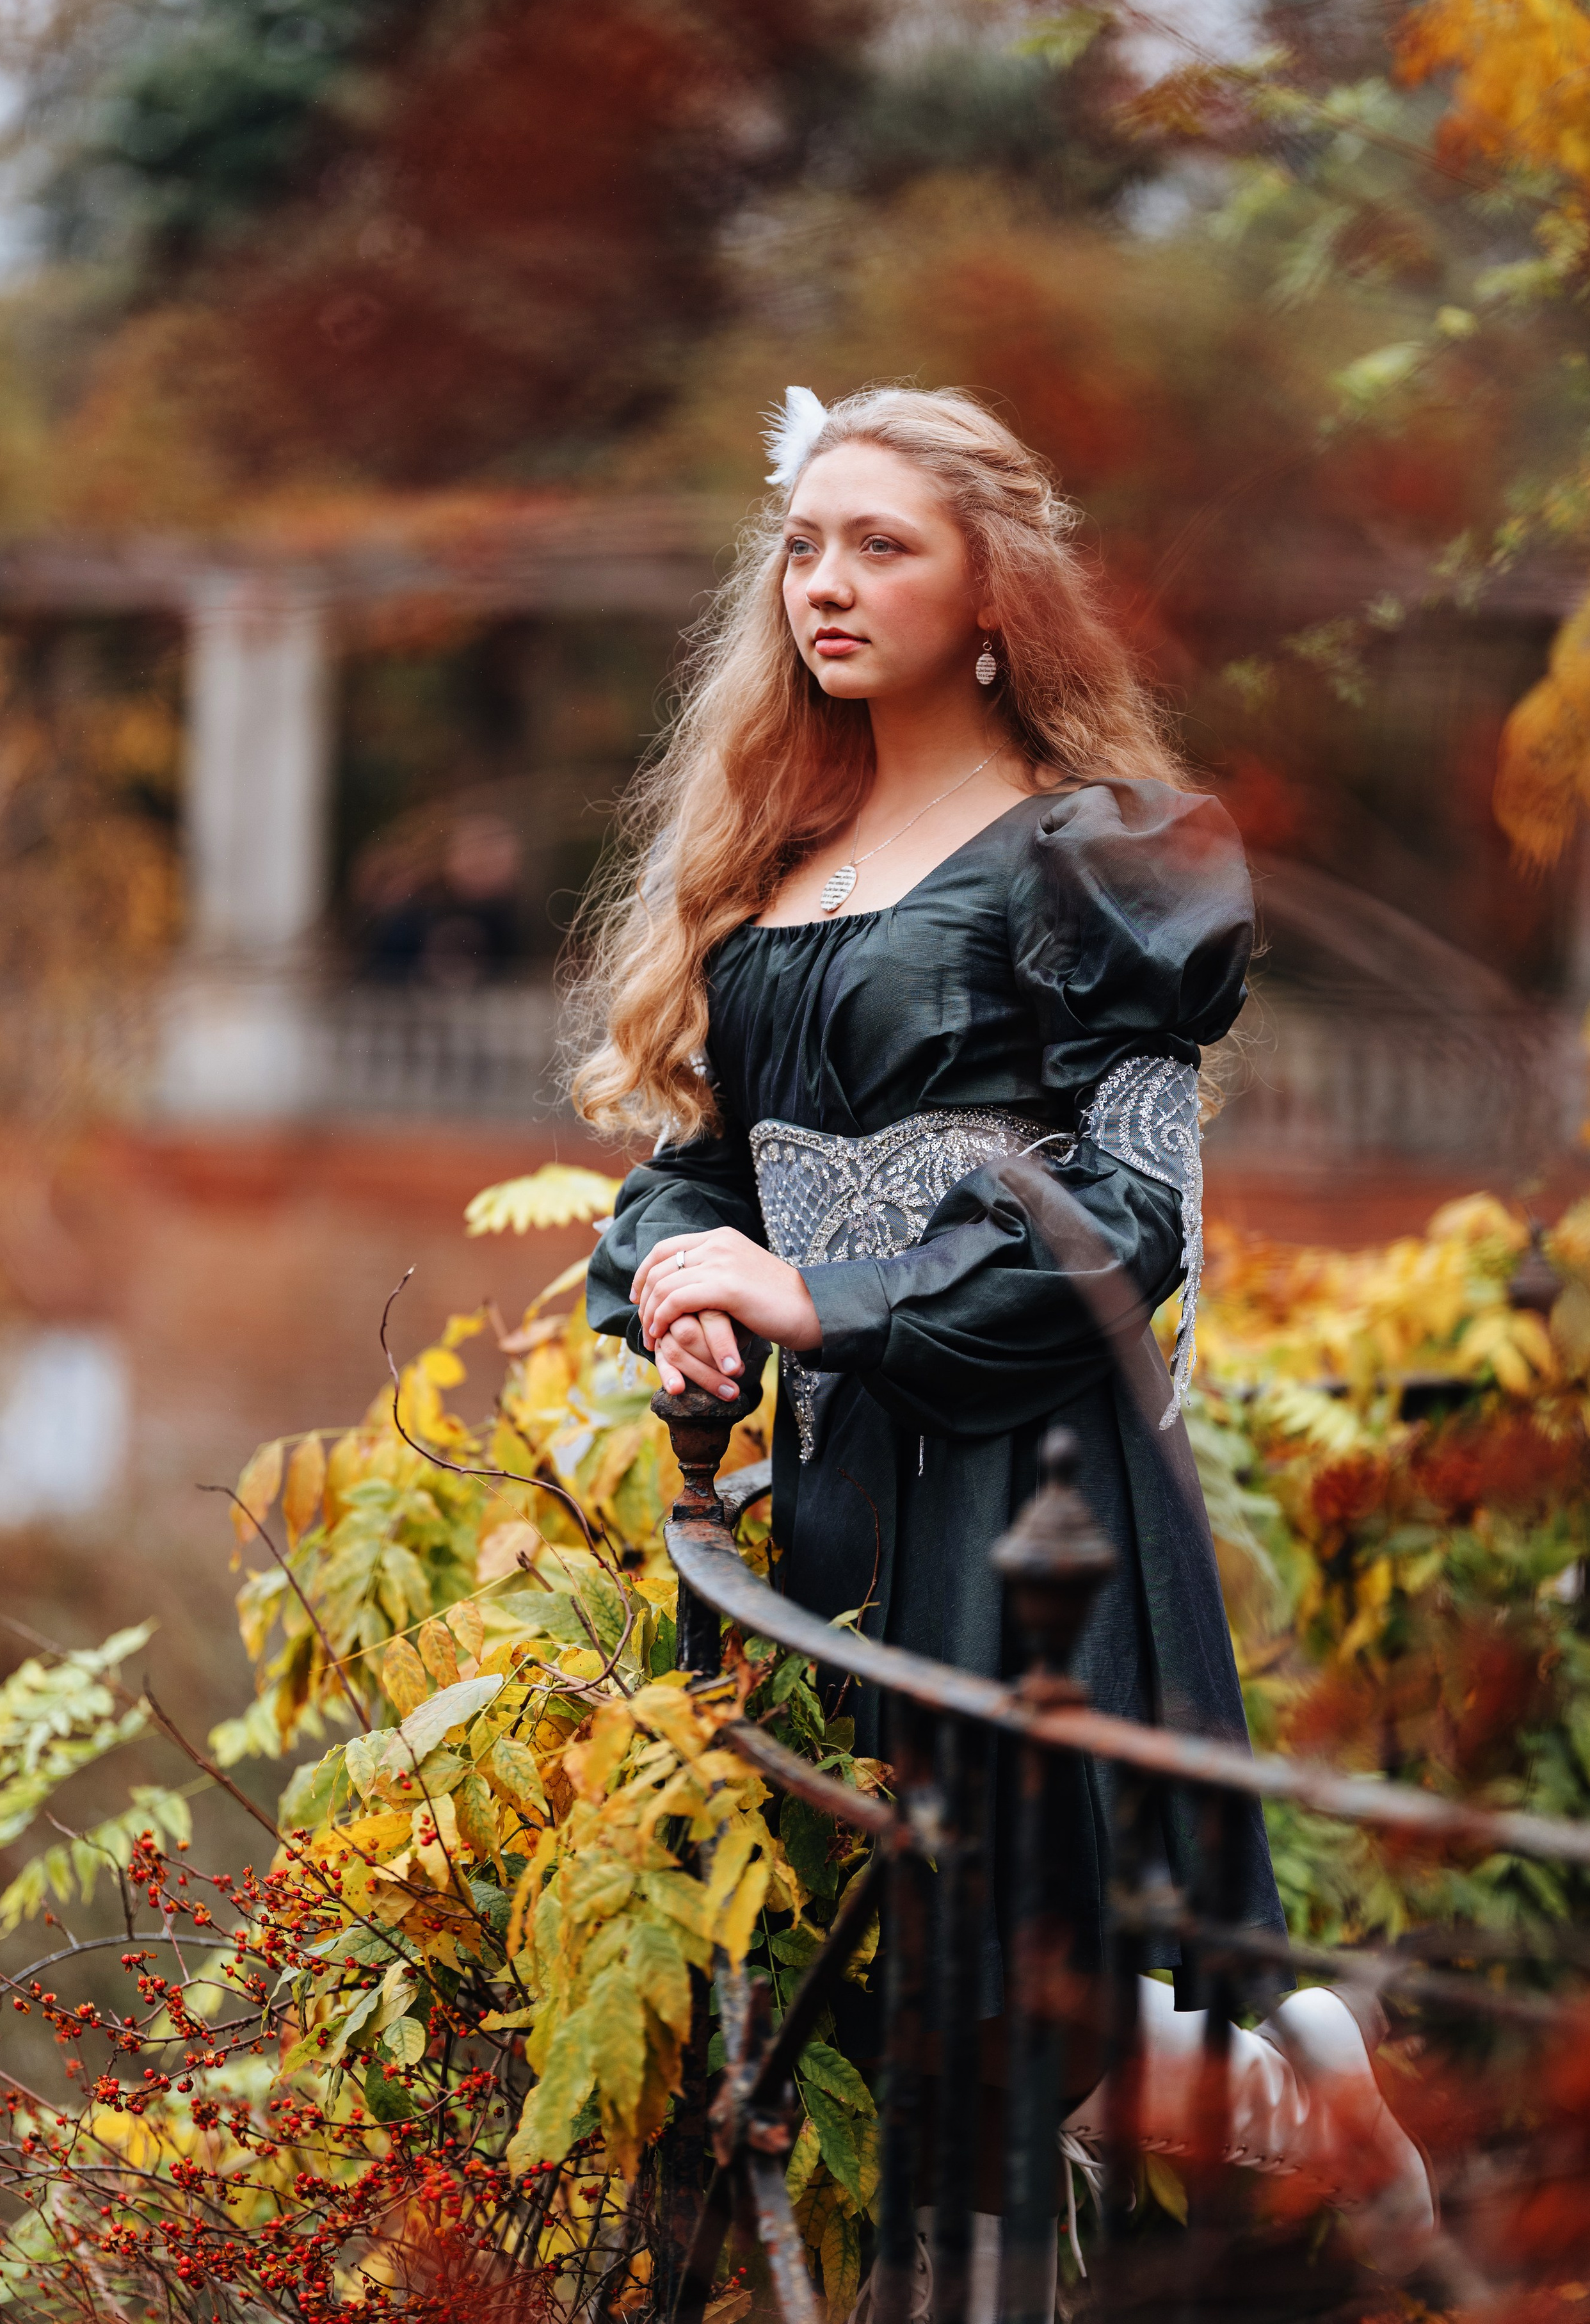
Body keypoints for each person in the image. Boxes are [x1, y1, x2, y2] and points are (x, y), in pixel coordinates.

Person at [572, 383, 1435, 2280]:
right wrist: (681, 1284)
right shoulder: (772, 853)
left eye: (883, 544)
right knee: (883, 1986)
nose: (826, 582)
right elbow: (702, 1163)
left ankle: (1306, 2102)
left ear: (994, 596)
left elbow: (1134, 1231)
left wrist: (827, 1297)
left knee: (1026, 1987)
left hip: (1038, 1481)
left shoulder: (1097, 858)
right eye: (804, 543)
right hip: (845, 1488)